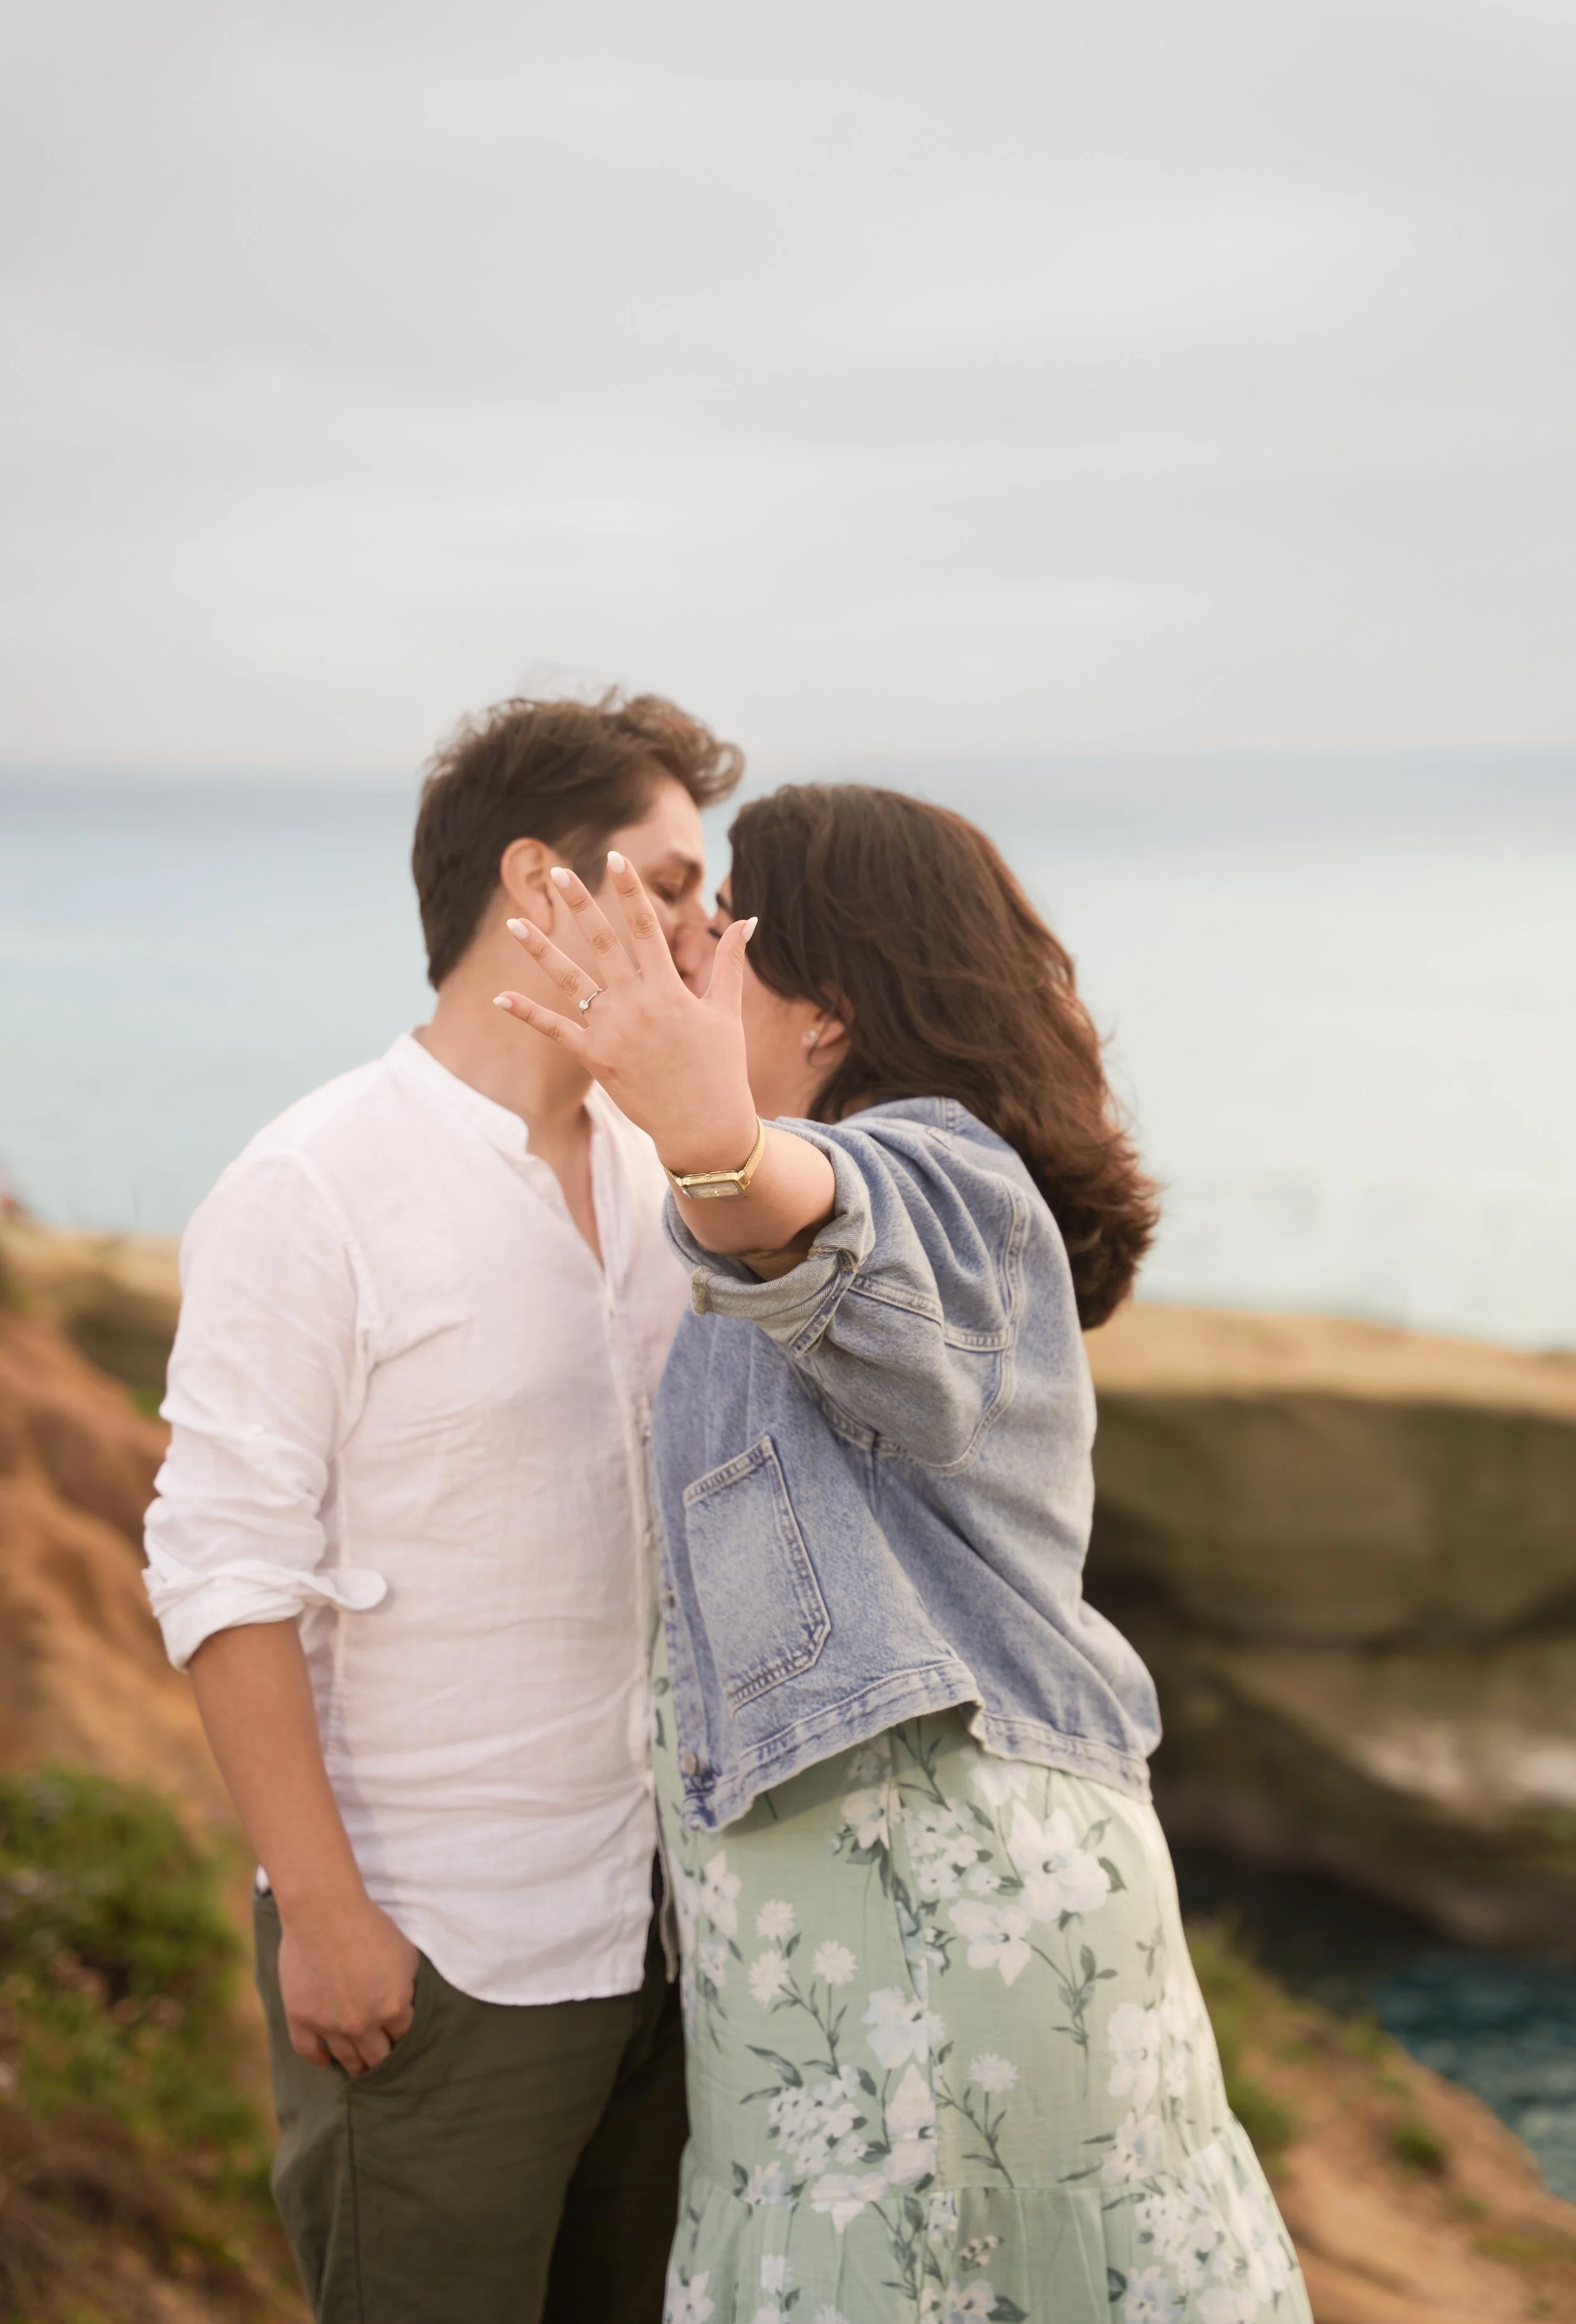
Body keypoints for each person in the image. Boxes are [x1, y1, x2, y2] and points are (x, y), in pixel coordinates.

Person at [494, 781, 1314, 2324]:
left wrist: (711, 1132)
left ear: (829, 1004)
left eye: (729, 930)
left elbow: (820, 1230)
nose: (697, 962)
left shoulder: (942, 1172)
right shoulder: (811, 1184)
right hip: (839, 1945)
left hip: (943, 1919)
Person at [144, 692, 743, 2324]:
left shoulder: (662, 1167)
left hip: (671, 1955)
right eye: (674, 883)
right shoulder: (311, 1184)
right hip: (439, 1959)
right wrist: (324, 1915)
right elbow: (218, 1563)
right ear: (538, 880)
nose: (709, 929)